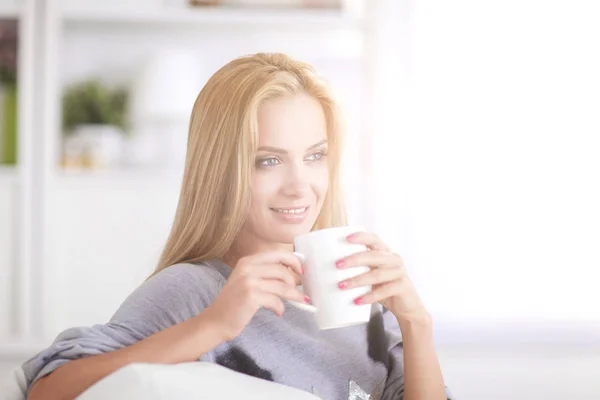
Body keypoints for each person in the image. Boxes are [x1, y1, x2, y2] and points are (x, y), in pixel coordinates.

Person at [23, 53, 454, 400]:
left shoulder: (362, 296)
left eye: (315, 155)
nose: (299, 186)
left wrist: (417, 326)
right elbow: (47, 392)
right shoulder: (194, 290)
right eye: (268, 160)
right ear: (222, 171)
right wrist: (213, 326)